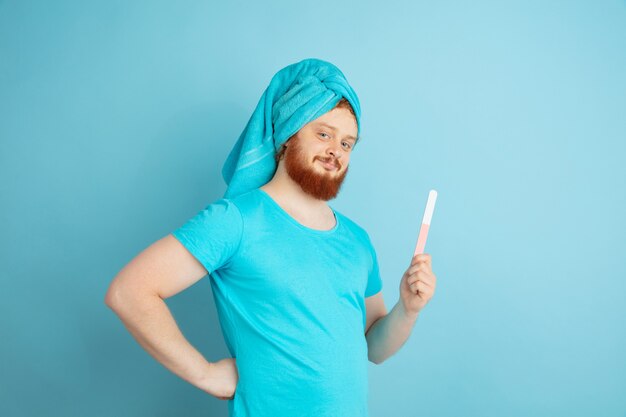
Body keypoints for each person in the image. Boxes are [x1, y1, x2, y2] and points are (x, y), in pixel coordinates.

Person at [104, 58, 437, 417]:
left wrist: (409, 308)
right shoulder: (236, 221)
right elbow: (129, 292)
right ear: (287, 136)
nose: (335, 152)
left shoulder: (357, 241)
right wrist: (205, 374)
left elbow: (373, 347)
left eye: (346, 143)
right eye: (323, 134)